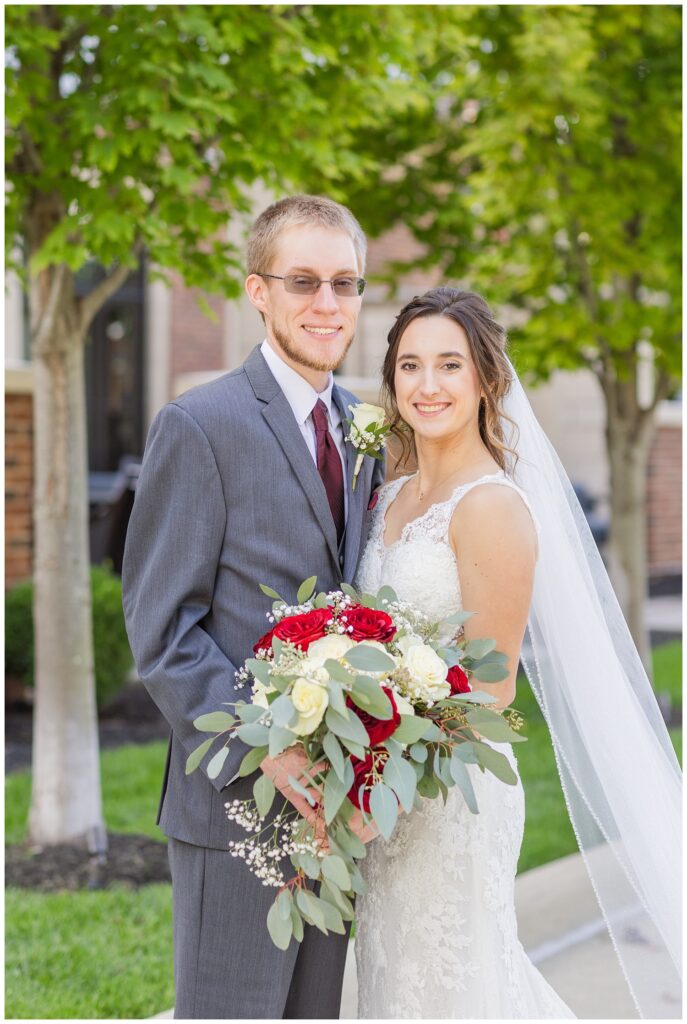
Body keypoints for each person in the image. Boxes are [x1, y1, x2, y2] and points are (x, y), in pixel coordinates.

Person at [353, 287, 682, 1019]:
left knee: (455, 984)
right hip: (380, 792)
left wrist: (384, 787)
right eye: (409, 366)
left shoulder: (492, 506)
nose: (427, 385)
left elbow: (489, 690)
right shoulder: (389, 496)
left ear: (485, 380)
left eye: (449, 364)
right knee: (393, 978)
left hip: (447, 793)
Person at [121, 194, 385, 1019]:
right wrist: (264, 746)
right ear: (257, 291)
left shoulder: (366, 430)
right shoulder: (200, 424)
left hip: (335, 804)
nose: (327, 304)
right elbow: (162, 632)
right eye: (303, 281)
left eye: (345, 283)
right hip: (234, 803)